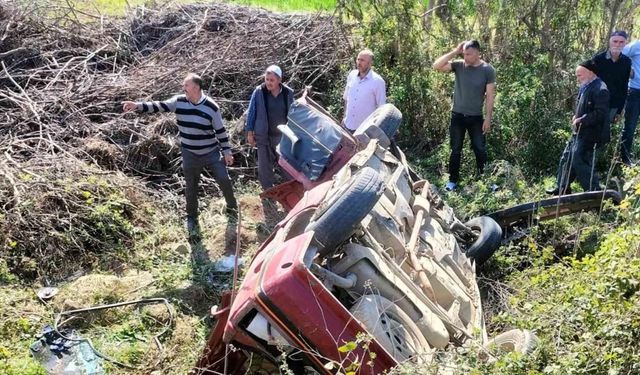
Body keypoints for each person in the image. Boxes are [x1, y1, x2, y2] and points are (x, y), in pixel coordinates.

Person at [122, 73, 238, 232]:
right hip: (190, 153)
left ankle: (232, 208)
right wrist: (137, 105)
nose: (184, 89)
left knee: (223, 179)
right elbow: (159, 105)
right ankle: (192, 218)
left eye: (186, 86)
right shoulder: (179, 102)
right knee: (191, 187)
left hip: (210, 152)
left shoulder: (212, 107)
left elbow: (220, 131)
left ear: (196, 87)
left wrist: (227, 151)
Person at [432, 40, 496, 191]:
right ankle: (452, 181)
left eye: (469, 54)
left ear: (478, 53)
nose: (466, 57)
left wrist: (488, 118)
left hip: (476, 118)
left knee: (480, 149)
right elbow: (436, 66)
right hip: (458, 116)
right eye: (464, 54)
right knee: (455, 149)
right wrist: (455, 52)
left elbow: (490, 96)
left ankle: (487, 181)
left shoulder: (488, 70)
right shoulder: (459, 65)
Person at [546, 61, 610, 195]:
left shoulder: (600, 89)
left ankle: (594, 192)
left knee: (580, 160)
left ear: (590, 73)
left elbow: (600, 114)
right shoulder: (586, 86)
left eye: (579, 75)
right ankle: (562, 189)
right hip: (579, 131)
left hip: (592, 134)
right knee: (566, 158)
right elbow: (584, 107)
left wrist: (581, 120)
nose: (577, 79)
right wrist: (576, 116)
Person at [245, 65, 294, 190]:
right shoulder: (259, 92)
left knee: (286, 164)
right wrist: (250, 133)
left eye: (272, 80)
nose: (268, 82)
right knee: (264, 166)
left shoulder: (288, 93)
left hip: (282, 136)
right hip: (264, 135)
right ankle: (268, 191)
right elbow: (252, 112)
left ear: (279, 80)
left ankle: (290, 189)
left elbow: (293, 114)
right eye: (267, 79)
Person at [592, 30, 631, 147]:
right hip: (596, 104)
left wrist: (619, 110)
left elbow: (624, 86)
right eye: (615, 41)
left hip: (613, 105)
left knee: (602, 136)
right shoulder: (598, 59)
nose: (617, 44)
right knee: (590, 133)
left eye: (621, 42)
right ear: (609, 42)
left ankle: (595, 162)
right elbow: (589, 82)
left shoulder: (626, 62)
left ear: (625, 44)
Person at [342, 49, 387, 132]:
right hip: (347, 125)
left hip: (364, 131)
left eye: (362, 60)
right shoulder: (352, 75)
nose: (359, 62)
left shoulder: (378, 82)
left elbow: (381, 109)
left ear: (370, 63)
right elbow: (346, 99)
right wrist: (344, 118)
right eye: (358, 59)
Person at [621, 34, 640, 165]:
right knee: (630, 126)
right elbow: (619, 55)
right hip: (635, 91)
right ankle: (625, 160)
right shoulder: (635, 46)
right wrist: (629, 70)